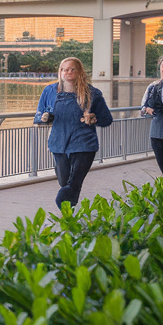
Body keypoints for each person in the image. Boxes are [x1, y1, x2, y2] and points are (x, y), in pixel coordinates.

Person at [34, 57, 114, 210]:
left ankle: (64, 210)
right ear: (60, 72)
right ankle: (70, 214)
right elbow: (38, 117)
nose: (67, 72)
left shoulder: (93, 93)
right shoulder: (49, 91)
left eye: (72, 69)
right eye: (64, 69)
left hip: (84, 143)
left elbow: (107, 120)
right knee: (65, 181)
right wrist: (45, 117)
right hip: (58, 143)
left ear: (79, 72)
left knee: (74, 181)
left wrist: (93, 119)